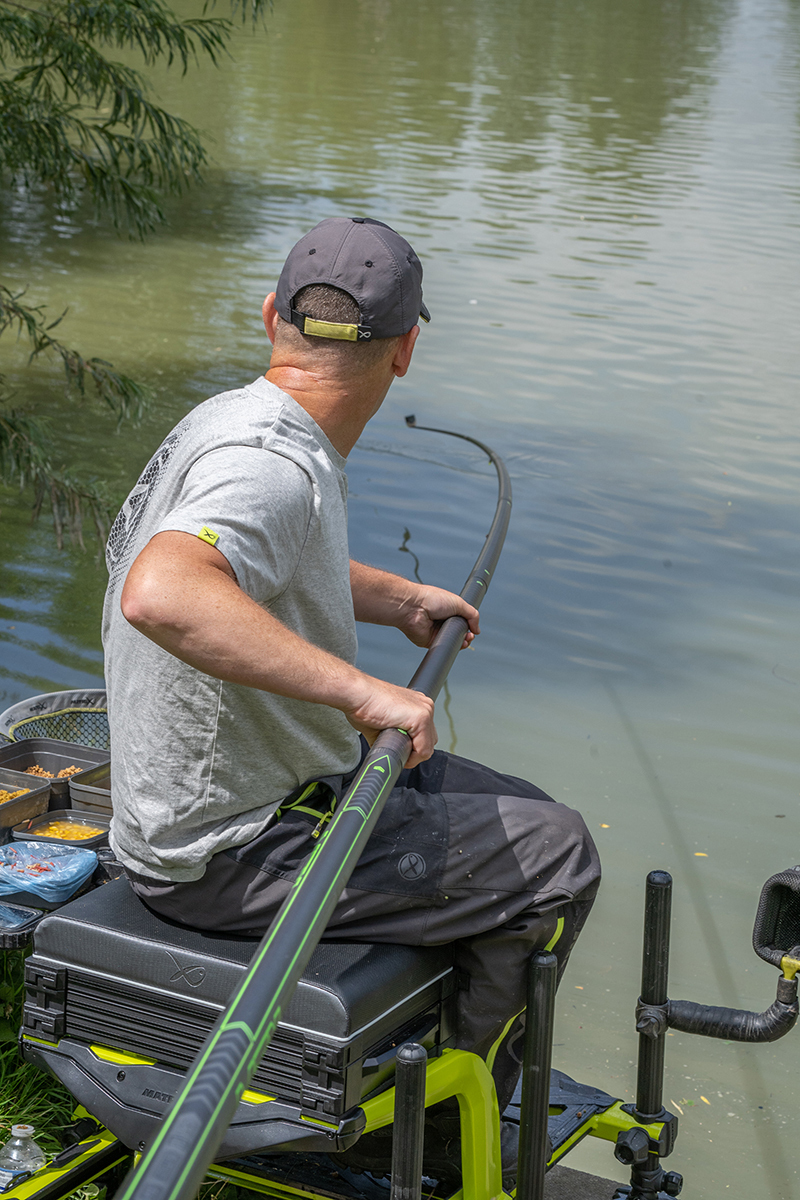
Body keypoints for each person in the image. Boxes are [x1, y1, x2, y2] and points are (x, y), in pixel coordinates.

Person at [102, 216, 600, 1184]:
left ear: (270, 318)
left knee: (527, 816)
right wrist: (364, 691)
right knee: (559, 857)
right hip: (224, 849)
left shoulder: (231, 420)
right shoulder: (274, 464)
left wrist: (396, 599)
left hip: (243, 794)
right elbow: (162, 592)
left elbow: (269, 560)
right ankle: (441, 1129)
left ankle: (418, 1060)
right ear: (405, 350)